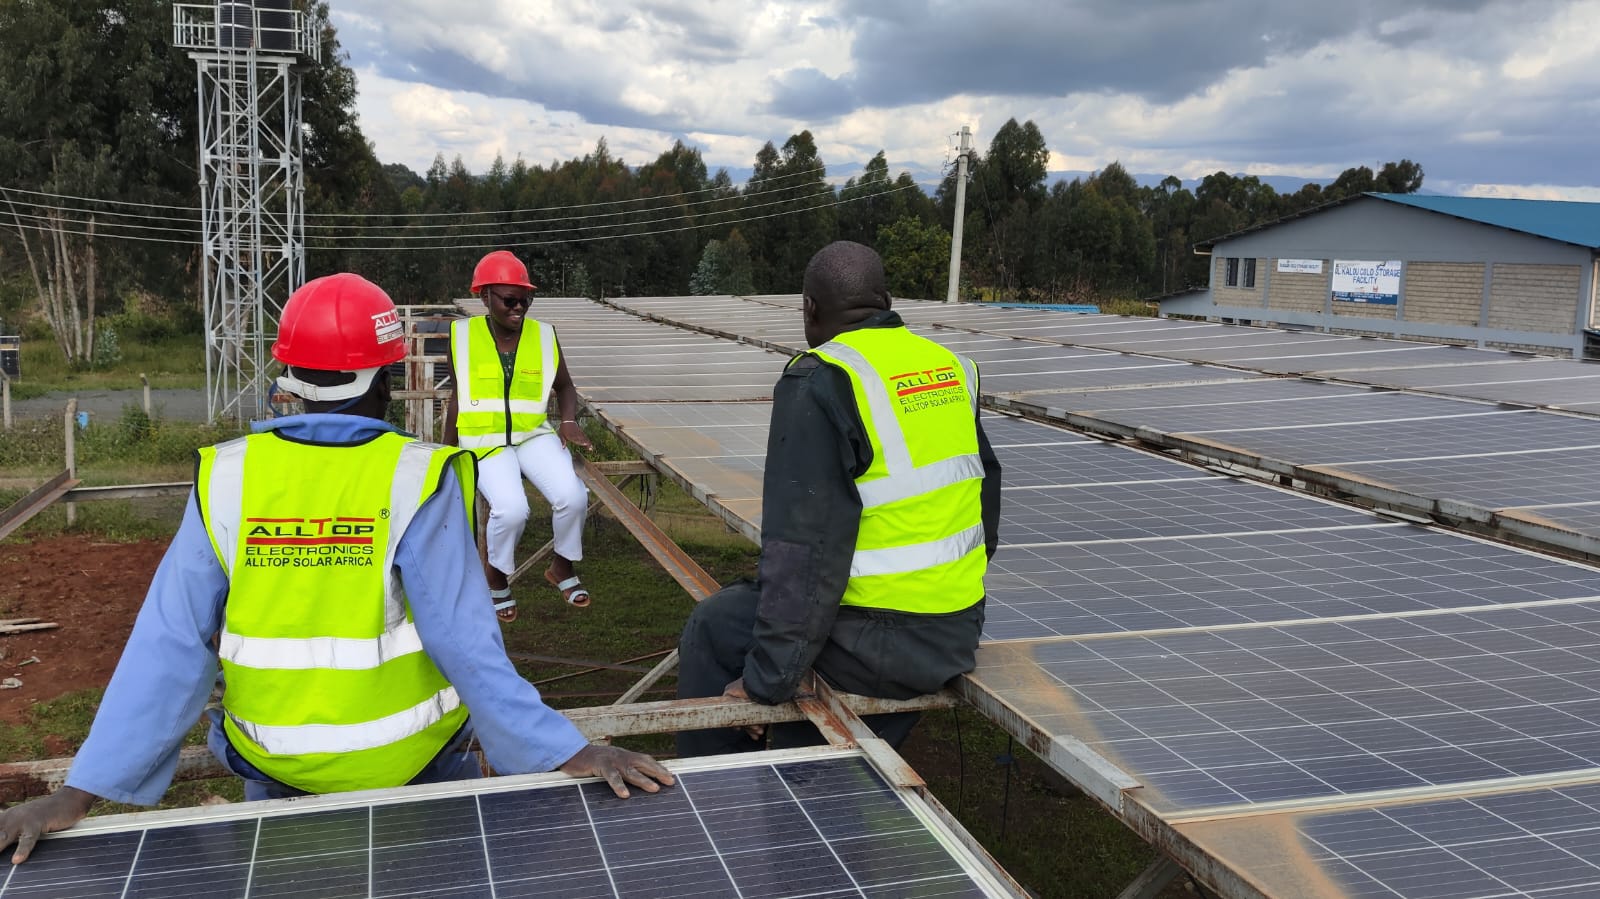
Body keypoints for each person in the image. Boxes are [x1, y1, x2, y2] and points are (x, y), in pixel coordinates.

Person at [0, 274, 672, 864]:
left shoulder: (229, 478)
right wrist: (568, 749)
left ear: (288, 380)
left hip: (276, 774)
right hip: (413, 777)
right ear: (383, 378)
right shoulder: (419, 476)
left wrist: (76, 793)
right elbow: (467, 644)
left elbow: (167, 644)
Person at [675, 241, 1001, 756]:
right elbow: (988, 496)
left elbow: (803, 549)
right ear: (887, 301)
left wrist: (763, 682)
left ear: (808, 308)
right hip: (956, 632)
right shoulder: (953, 368)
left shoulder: (823, 378)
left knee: (716, 624)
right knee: (761, 624)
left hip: (873, 648)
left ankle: (716, 798)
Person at [444, 250, 593, 620]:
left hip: (532, 435)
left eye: (525, 299)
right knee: (511, 510)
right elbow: (458, 397)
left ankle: (562, 566)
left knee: (574, 497)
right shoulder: (461, 335)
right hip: (485, 440)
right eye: (510, 300)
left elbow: (565, 386)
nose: (519, 307)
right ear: (485, 297)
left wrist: (569, 421)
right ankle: (495, 574)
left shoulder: (543, 336)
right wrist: (445, 452)